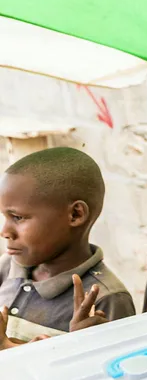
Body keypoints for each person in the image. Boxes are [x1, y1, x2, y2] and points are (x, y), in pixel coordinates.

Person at [0, 148, 135, 350]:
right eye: (5, 217)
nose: (5, 231)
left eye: (18, 218)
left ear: (75, 215)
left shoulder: (106, 299)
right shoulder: (7, 266)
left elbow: (112, 372)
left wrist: (76, 345)